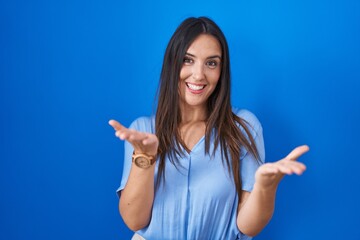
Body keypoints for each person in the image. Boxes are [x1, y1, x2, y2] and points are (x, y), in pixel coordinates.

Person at [109, 16, 309, 240]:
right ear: (172, 63)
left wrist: (265, 188)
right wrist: (144, 158)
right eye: (187, 60)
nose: (198, 75)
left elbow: (248, 227)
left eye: (211, 63)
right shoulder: (143, 131)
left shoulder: (243, 127)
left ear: (222, 71)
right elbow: (135, 221)